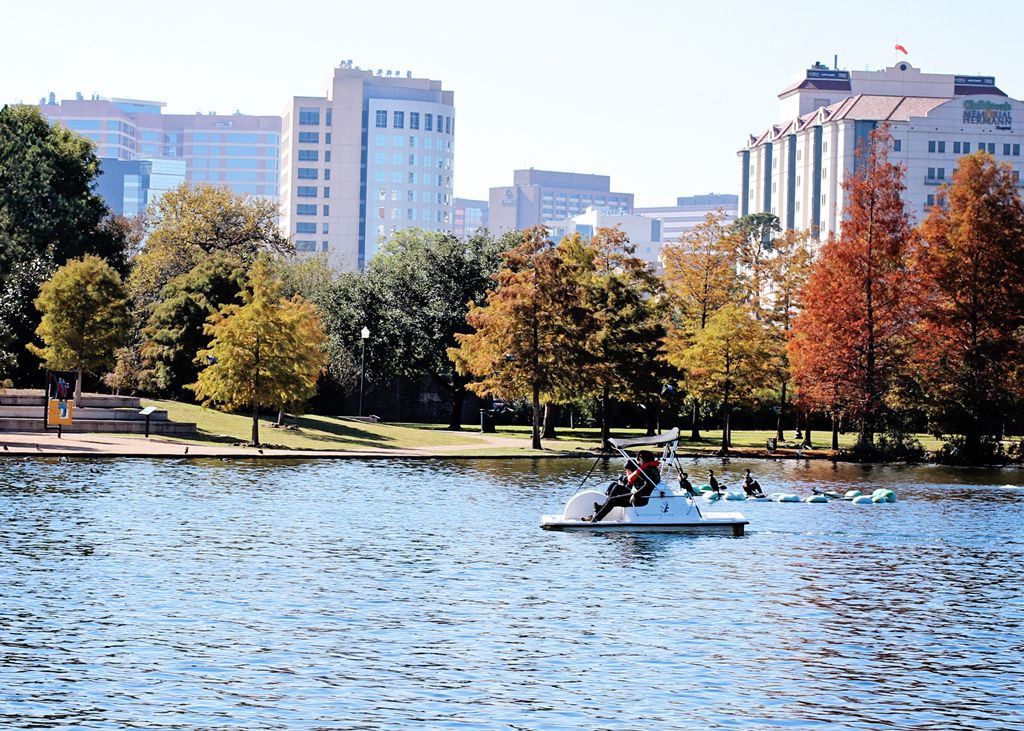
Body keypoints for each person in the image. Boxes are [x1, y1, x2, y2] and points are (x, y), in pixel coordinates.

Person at [585, 450, 661, 522]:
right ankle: (601, 509)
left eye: (639, 459)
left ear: (645, 459)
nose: (638, 462)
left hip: (641, 498)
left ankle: (595, 519)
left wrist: (635, 495)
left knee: (612, 500)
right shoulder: (647, 468)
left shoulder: (649, 471)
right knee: (617, 487)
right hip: (636, 492)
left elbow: (649, 485)